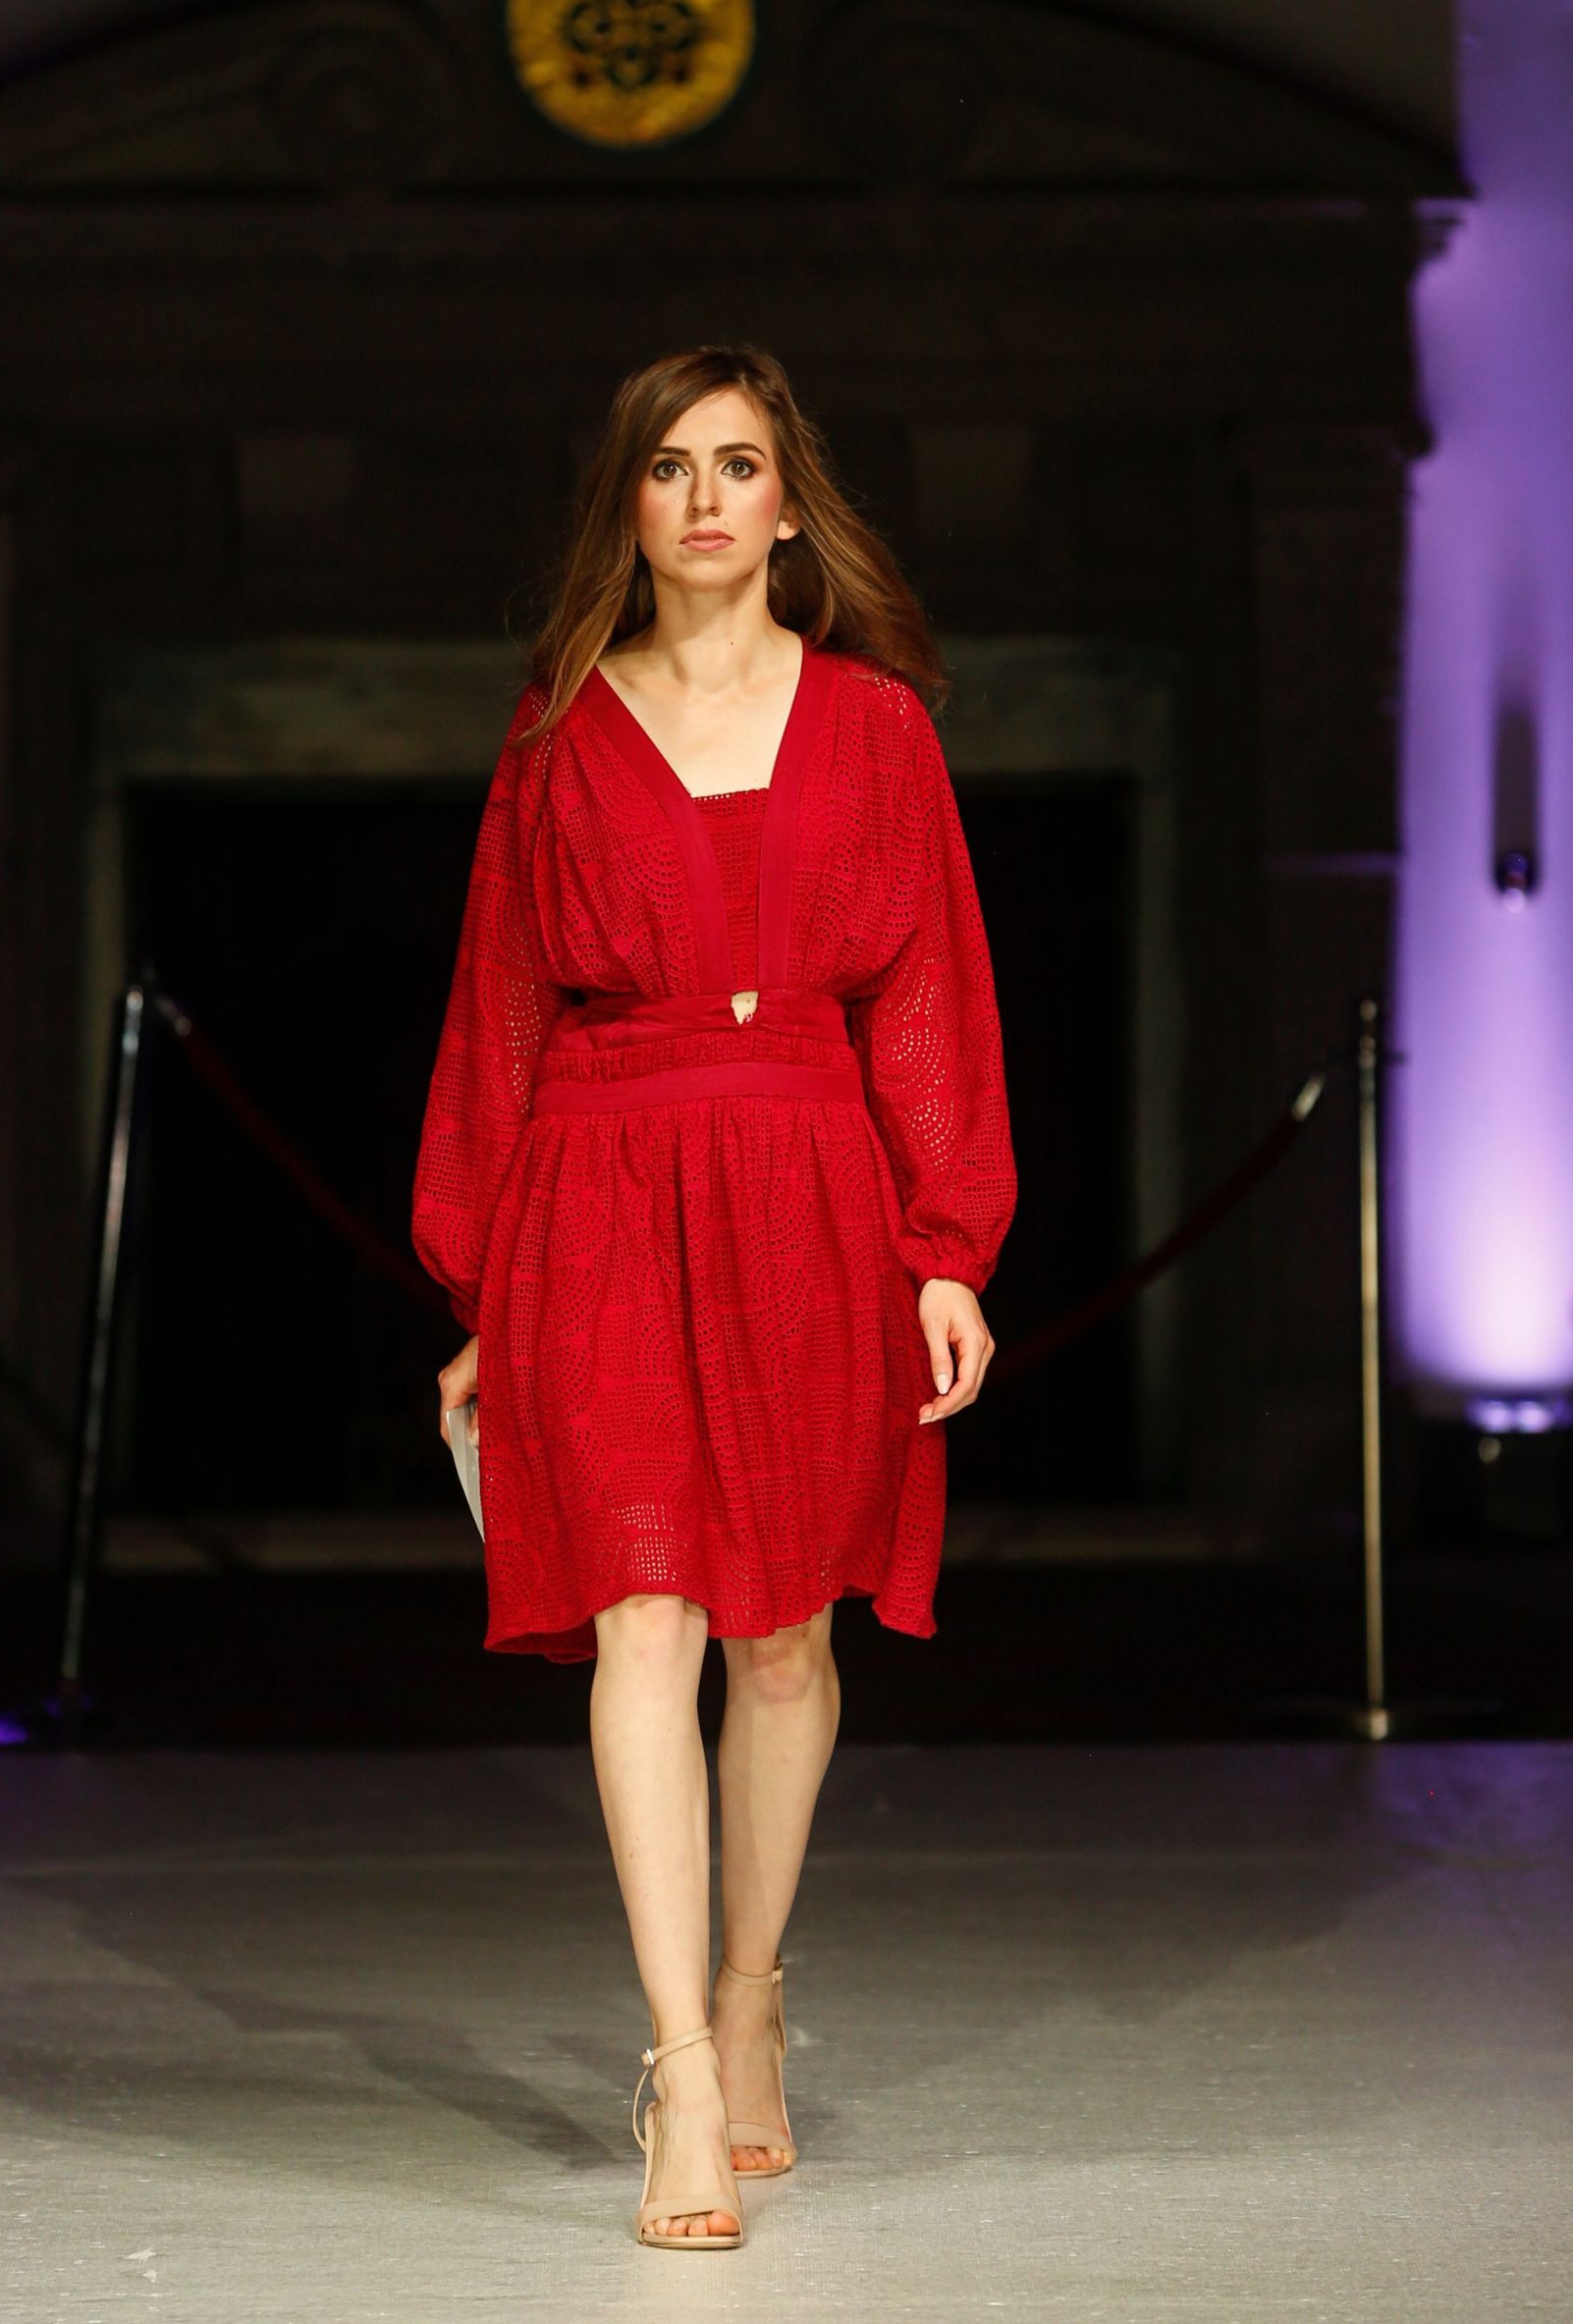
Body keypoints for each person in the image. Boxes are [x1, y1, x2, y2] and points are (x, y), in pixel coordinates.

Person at [410, 344, 1017, 2248]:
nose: (701, 499)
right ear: (630, 503)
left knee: (783, 1641)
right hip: (597, 1193)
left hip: (813, 1192)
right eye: (668, 467)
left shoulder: (877, 727)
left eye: (736, 464)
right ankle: (679, 2067)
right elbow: (498, 1019)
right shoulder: (555, 733)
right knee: (643, 1619)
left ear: (787, 504)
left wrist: (948, 1246)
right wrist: (480, 1288)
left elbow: (930, 998)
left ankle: (752, 1990)